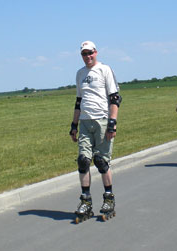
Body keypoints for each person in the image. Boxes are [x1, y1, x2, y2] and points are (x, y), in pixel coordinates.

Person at [69, 41, 121, 221]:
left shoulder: (105, 70)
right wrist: (74, 125)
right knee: (83, 161)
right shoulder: (80, 74)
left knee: (101, 161)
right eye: (84, 54)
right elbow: (78, 101)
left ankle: (109, 199)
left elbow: (115, 98)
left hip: (102, 121)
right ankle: (86, 201)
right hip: (84, 122)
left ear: (96, 52)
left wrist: (112, 123)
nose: (87, 56)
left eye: (90, 53)